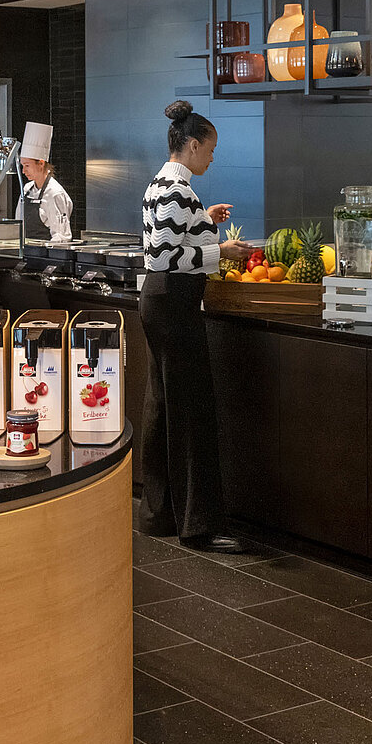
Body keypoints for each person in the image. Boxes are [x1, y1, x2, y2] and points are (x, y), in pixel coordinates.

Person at [138, 100, 253, 553]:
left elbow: (170, 239)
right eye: (210, 149)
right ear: (191, 145)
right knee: (190, 413)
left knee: (163, 407)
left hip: (162, 302)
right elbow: (163, 257)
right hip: (173, 303)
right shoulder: (176, 189)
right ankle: (198, 526)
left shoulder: (163, 184)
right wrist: (221, 252)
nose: (212, 157)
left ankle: (159, 514)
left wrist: (205, 219)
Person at [15, 121, 73, 242]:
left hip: (45, 252)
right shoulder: (26, 189)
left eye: (27, 165)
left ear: (41, 163)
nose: (23, 171)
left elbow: (61, 236)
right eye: (22, 166)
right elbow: (18, 226)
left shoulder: (55, 193)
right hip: (26, 249)